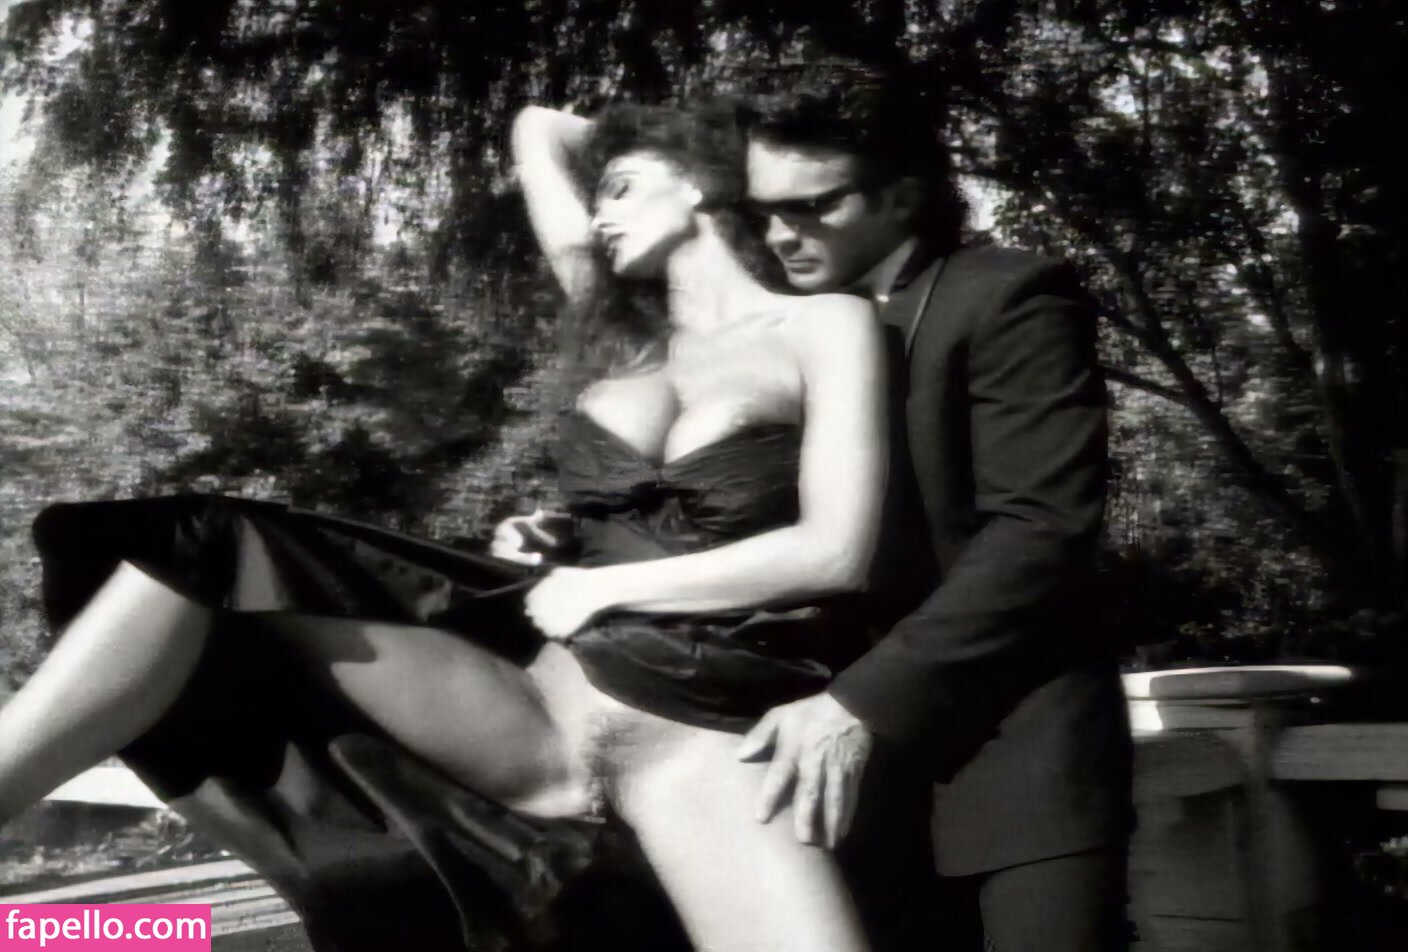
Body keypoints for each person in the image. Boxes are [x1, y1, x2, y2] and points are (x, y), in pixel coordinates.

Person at [0, 100, 920, 952]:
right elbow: (536, 127)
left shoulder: (826, 325)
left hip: (699, 739)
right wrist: (568, 541)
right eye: (598, 195)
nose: (599, 215)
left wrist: (605, 583)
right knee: (207, 550)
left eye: (622, 188)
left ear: (705, 184)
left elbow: (834, 552)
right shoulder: (626, 342)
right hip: (538, 711)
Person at [735, 60, 1135, 952]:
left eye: (813, 205)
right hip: (837, 790)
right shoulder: (776, 334)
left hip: (1018, 761)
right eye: (763, 210)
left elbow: (1040, 534)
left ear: (906, 194)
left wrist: (861, 702)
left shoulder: (1008, 295)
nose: (780, 234)